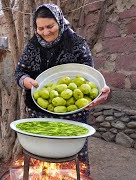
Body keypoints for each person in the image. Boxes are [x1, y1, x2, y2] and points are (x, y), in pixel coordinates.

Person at [14, 4, 110, 176]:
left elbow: (90, 78)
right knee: (42, 164)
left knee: (72, 166)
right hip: (40, 115)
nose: (45, 32)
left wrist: (101, 92)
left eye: (50, 26)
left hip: (73, 117)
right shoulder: (33, 46)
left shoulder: (77, 44)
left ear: (59, 21)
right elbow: (19, 72)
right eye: (40, 28)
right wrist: (26, 81)